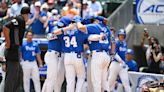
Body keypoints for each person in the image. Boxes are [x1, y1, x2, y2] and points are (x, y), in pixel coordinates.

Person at [78, 16, 115, 92]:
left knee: (96, 81)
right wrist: (112, 53)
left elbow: (81, 28)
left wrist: (77, 21)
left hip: (98, 55)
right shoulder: (107, 28)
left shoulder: (94, 26)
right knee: (104, 81)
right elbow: (113, 42)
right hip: (106, 55)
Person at [3, 6, 31, 92]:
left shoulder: (19, 20)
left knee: (19, 75)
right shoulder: (20, 20)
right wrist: (8, 42)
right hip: (12, 51)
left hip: (15, 50)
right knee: (11, 77)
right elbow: (5, 27)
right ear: (26, 15)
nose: (28, 17)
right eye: (28, 15)